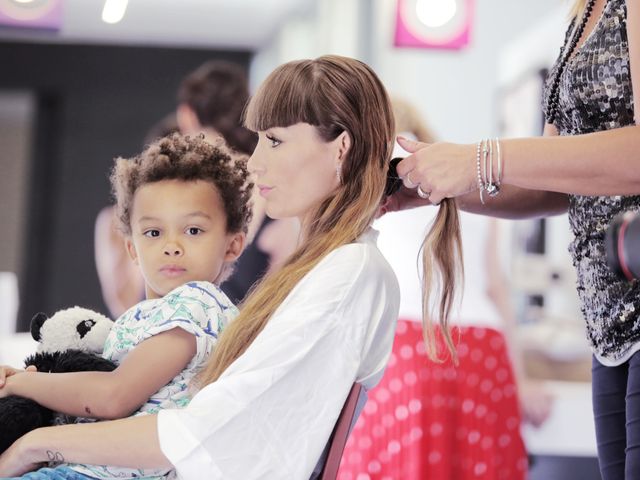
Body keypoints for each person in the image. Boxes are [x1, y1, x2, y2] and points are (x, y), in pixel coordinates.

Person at [0, 54, 454, 480]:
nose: (255, 162)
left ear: (341, 149)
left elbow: (202, 434)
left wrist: (37, 444)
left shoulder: (348, 272)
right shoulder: (330, 267)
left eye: (274, 140)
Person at [383, 0, 640, 478]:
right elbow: (554, 181)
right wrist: (432, 191)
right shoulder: (580, 17)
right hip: (609, 329)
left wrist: (484, 155)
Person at [0, 133, 252, 479]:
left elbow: (113, 397)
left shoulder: (197, 305)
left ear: (233, 244)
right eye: (153, 233)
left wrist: (17, 383)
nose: (172, 245)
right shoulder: (148, 316)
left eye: (193, 230)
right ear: (131, 248)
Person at [338, 97, 552, 480]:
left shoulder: (371, 185)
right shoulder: (468, 181)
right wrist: (523, 381)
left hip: (405, 343)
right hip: (484, 347)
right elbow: (496, 289)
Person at [95, 60, 261, 318]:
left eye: (193, 230)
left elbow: (125, 302)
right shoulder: (267, 182)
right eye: (154, 232)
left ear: (187, 115)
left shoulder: (178, 190)